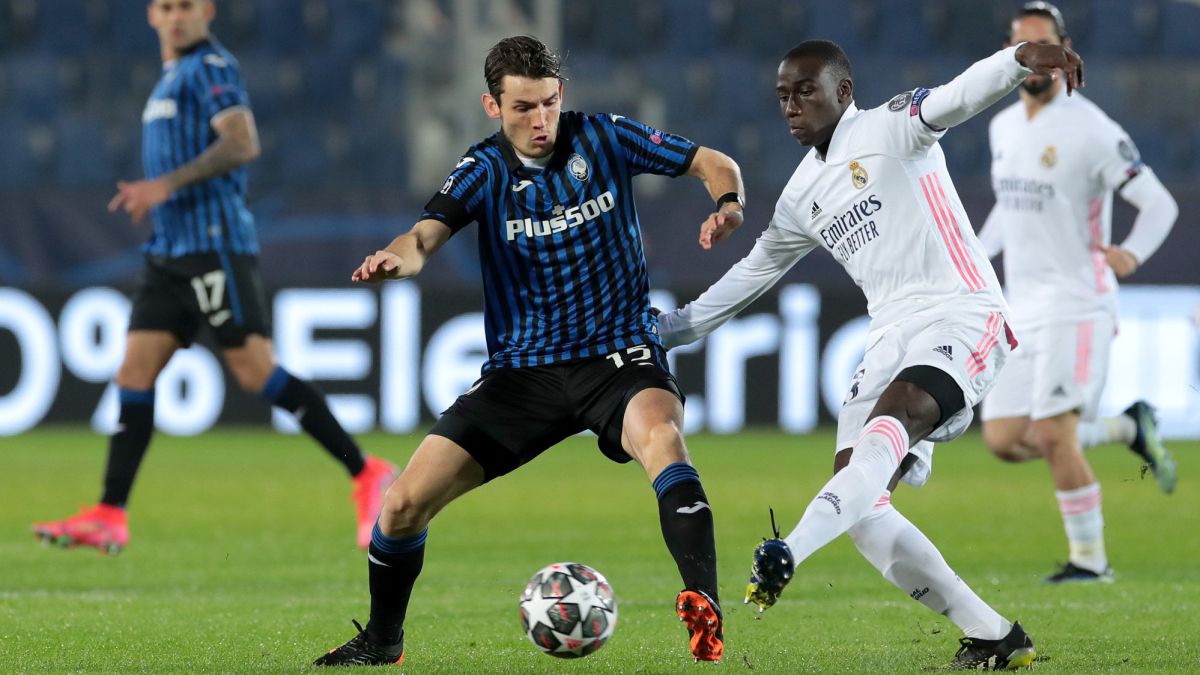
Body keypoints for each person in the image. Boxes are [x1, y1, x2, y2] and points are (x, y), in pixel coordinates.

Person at [312, 36, 745, 666]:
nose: (539, 121)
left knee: (663, 439)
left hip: (616, 355)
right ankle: (383, 643)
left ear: (560, 94)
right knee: (402, 505)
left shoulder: (604, 137)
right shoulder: (484, 170)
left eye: (547, 103)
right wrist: (396, 260)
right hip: (522, 375)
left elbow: (714, 162)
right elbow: (424, 235)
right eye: (522, 108)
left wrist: (728, 203)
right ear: (492, 105)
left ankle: (704, 611)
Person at [658, 38, 1084, 669]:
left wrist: (1018, 56)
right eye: (782, 96)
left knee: (896, 421)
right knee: (859, 503)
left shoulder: (892, 126)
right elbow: (756, 271)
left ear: (843, 91)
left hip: (962, 310)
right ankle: (995, 634)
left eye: (805, 90)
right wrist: (671, 330)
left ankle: (789, 551)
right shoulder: (803, 193)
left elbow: (958, 96)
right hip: (889, 334)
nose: (792, 106)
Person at [31, 0, 396, 554]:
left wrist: (166, 186)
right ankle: (109, 513)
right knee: (133, 372)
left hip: (214, 248)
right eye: (166, 7)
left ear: (207, 11)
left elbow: (242, 142)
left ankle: (366, 471)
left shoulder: (212, 68)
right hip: (168, 255)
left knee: (255, 373)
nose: (176, 17)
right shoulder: (167, 79)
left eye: (186, 6)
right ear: (152, 15)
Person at [977, 2, 1179, 584]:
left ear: (1065, 55)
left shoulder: (1092, 129)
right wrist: (972, 258)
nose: (1035, 61)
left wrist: (1132, 252)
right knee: (1004, 437)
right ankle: (1126, 428)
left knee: (1053, 433)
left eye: (1046, 48)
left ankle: (1091, 562)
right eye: (1024, 48)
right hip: (1024, 306)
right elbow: (1007, 212)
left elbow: (1159, 204)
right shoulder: (1001, 125)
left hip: (1077, 303)